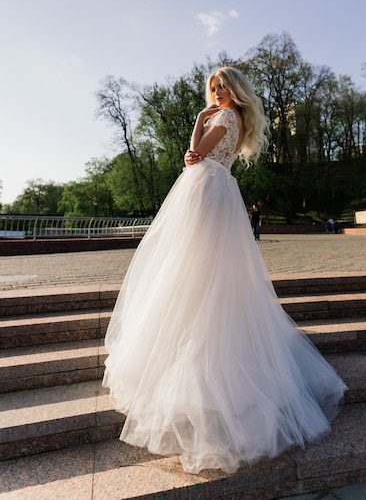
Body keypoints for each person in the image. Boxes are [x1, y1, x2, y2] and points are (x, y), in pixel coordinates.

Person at [103, 66, 346, 475]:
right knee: (198, 268)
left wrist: (198, 123)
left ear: (234, 91)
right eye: (212, 88)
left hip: (208, 191)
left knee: (192, 265)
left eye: (221, 87)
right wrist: (195, 146)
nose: (215, 93)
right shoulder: (234, 118)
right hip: (215, 191)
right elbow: (196, 156)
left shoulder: (224, 117)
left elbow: (197, 152)